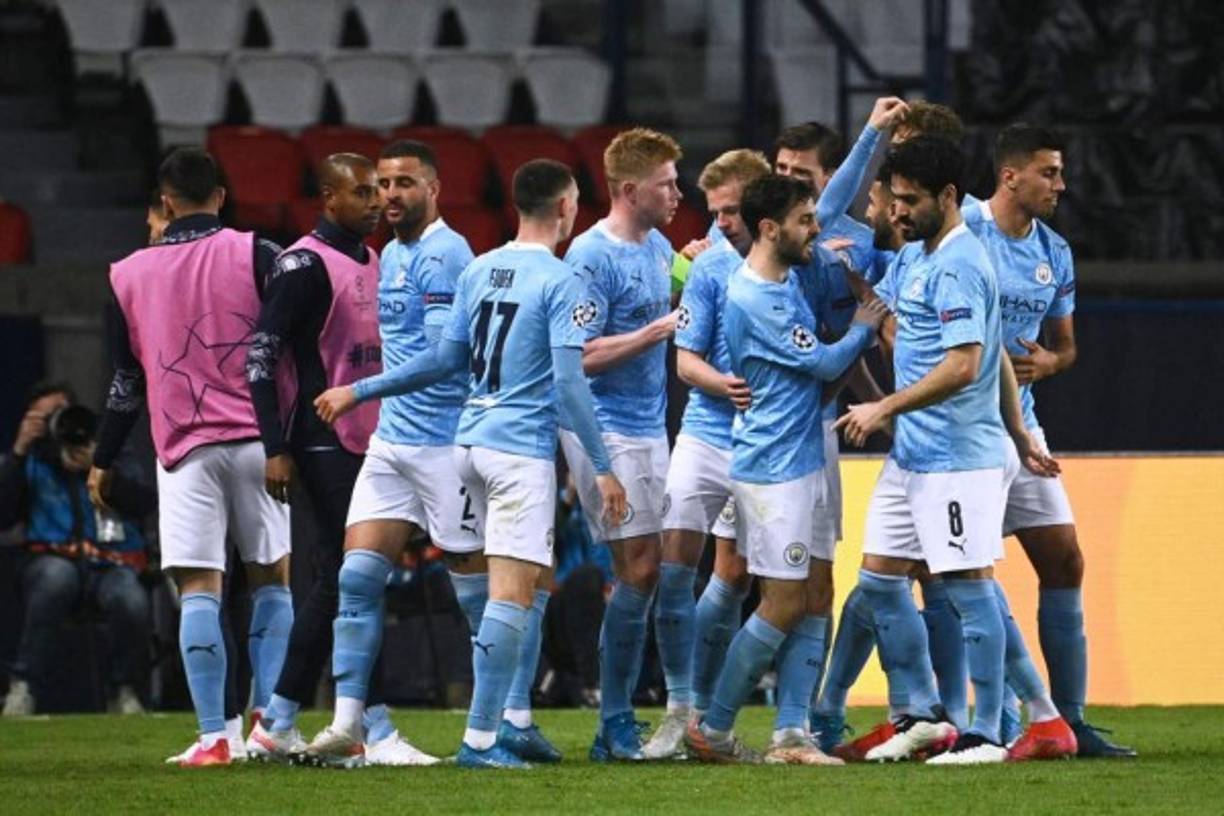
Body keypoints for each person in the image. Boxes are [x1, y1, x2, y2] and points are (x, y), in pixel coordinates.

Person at [315, 158, 627, 768]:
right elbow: (569, 384)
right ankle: (484, 740)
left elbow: (445, 358)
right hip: (518, 451)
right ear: (567, 209)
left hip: (466, 443)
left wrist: (363, 390)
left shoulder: (480, 267)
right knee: (508, 597)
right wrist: (602, 465)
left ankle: (513, 720)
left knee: (526, 585)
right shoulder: (562, 281)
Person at [833, 136, 1072, 765]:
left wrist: (883, 405)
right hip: (915, 456)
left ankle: (988, 732)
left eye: (910, 201)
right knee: (879, 581)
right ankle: (923, 716)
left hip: (956, 457)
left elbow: (966, 365)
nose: (897, 212)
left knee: (969, 588)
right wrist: (1021, 436)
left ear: (947, 197)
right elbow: (997, 359)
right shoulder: (921, 253)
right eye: (894, 200)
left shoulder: (961, 262)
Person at [89, 148, 293, 766]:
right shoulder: (261, 255)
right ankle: (269, 726)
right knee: (272, 579)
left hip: (182, 451)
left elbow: (126, 384)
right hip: (260, 442)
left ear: (166, 201)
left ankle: (214, 738)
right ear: (221, 197)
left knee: (200, 588)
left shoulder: (126, 275)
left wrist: (103, 456)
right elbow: (291, 347)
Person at [682, 174, 885, 765]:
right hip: (774, 469)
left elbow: (831, 207)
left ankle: (792, 737)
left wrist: (871, 137)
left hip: (801, 456)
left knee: (816, 590)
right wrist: (864, 326)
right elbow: (823, 365)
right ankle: (712, 726)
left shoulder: (784, 276)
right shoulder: (758, 297)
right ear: (769, 229)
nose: (815, 231)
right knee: (782, 601)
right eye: (804, 222)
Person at [291, 139, 477, 768]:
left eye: (405, 184)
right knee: (356, 577)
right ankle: (349, 725)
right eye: (384, 184)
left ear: (434, 189)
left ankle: (500, 723)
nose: (391, 195)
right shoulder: (391, 254)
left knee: (476, 594)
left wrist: (357, 391)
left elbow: (447, 357)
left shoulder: (447, 254)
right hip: (393, 443)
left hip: (445, 445)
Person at [242, 153, 432, 765]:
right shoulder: (301, 265)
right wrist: (276, 446)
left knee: (343, 581)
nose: (377, 202)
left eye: (380, 191)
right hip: (322, 439)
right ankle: (371, 729)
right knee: (346, 579)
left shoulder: (374, 260)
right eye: (363, 193)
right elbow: (260, 360)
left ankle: (279, 722)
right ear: (328, 198)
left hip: (372, 435)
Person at [963, 124, 1134, 758]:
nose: (1061, 184)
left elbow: (1066, 348)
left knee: (1065, 561)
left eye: (1059, 173)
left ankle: (1070, 719)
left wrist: (1048, 365)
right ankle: (984, 715)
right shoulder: (962, 233)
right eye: (1049, 172)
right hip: (964, 430)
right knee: (961, 575)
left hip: (1023, 427)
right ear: (1011, 176)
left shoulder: (1055, 252)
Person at [556, 127, 684, 762]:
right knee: (637, 570)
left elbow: (693, 277)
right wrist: (652, 332)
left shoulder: (660, 246)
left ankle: (630, 714)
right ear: (630, 190)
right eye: (666, 185)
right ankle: (614, 720)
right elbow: (579, 357)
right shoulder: (589, 257)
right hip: (602, 426)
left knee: (651, 572)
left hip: (652, 426)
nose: (677, 194)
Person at [650, 149, 768, 759]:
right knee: (674, 569)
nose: (720, 222)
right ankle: (677, 708)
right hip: (702, 435)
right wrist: (718, 383)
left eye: (731, 210)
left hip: (769, 444)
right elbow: (685, 358)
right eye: (714, 212)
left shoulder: (797, 259)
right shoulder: (706, 267)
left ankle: (718, 717)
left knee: (747, 576)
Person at [1, 383, 153, 717]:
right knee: (56, 578)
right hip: (49, 559)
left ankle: (124, 691)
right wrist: (18, 451)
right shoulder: (28, 459)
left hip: (111, 562)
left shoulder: (107, 451)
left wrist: (102, 472)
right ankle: (23, 687)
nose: (57, 422)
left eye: (61, 413)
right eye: (46, 417)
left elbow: (145, 502)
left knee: (130, 596)